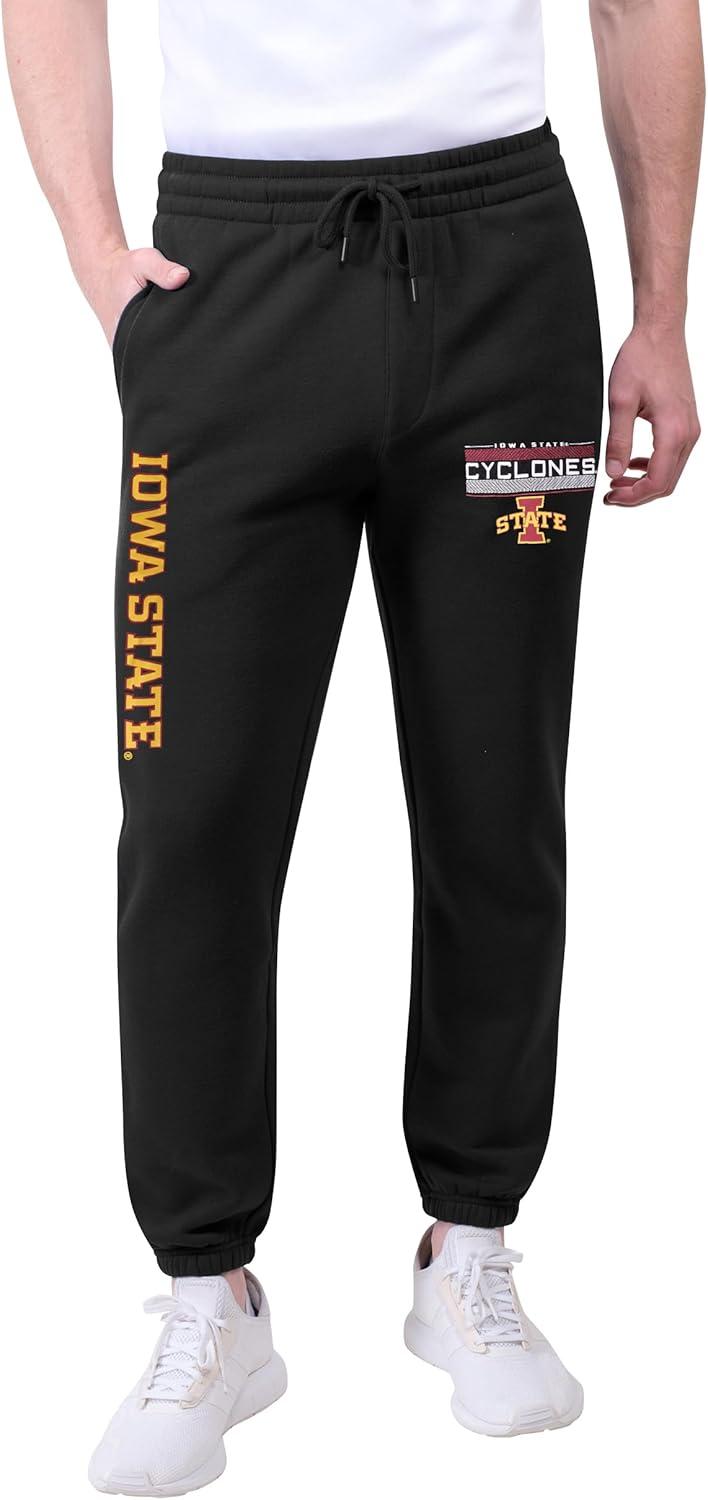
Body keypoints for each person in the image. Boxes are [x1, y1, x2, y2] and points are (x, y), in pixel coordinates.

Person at [3, 0, 703, 1486]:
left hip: (504, 271)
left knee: (496, 791)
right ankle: (210, 1296)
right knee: (191, 812)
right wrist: (93, 251)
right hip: (230, 279)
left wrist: (661, 311)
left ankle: (472, 1249)